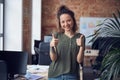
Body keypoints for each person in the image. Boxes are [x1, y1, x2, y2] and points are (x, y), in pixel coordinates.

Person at [48, 5, 85, 80]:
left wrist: (81, 47)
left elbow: (79, 60)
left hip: (72, 75)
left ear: (73, 21)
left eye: (69, 20)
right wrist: (51, 46)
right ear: (60, 23)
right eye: (63, 22)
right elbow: (53, 59)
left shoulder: (81, 37)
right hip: (55, 75)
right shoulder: (56, 36)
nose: (66, 24)